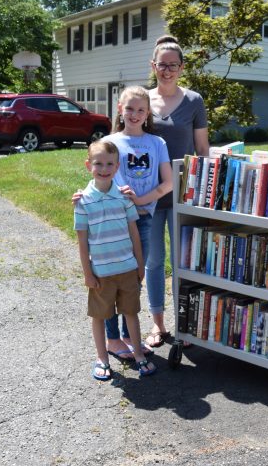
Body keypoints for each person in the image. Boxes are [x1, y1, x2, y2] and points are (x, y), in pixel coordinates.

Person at [91, 85, 173, 361]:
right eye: (130, 109)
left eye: (141, 110)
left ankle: (129, 334)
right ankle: (113, 339)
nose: (135, 114)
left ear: (148, 112)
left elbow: (169, 182)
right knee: (111, 277)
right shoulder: (112, 141)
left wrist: (143, 200)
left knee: (135, 278)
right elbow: (101, 177)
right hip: (114, 221)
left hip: (145, 219)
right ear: (120, 109)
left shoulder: (156, 143)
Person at [144, 35, 210, 349]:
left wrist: (209, 192)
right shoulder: (142, 101)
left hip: (184, 196)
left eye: (173, 65)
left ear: (181, 68)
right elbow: (125, 144)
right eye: (162, 65)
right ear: (153, 66)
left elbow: (201, 149)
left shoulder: (194, 101)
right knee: (155, 261)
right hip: (151, 196)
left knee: (186, 264)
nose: (167, 70)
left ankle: (186, 325)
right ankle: (159, 326)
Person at [74, 140, 155, 380]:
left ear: (117, 166)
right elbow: (82, 241)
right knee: (100, 315)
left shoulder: (123, 197)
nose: (104, 168)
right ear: (89, 165)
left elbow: (134, 235)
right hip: (100, 273)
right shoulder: (82, 202)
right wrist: (87, 273)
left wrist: (140, 266)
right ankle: (102, 358)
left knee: (131, 312)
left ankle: (138, 355)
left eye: (110, 163)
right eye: (98, 163)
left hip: (128, 268)